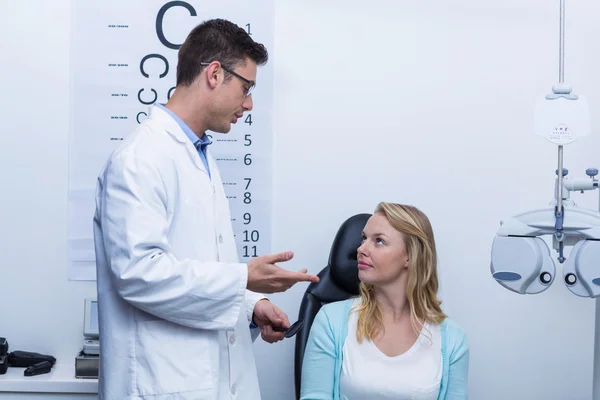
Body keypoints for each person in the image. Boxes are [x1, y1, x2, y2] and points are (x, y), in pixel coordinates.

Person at [93, 18, 319, 400]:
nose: (248, 103)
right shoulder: (140, 158)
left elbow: (197, 263)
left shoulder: (198, 155)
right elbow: (138, 274)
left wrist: (251, 305)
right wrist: (243, 279)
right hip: (159, 381)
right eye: (246, 87)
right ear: (215, 74)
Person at [300, 202, 469, 400]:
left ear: (410, 256)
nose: (361, 249)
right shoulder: (331, 321)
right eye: (364, 239)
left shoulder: (452, 339)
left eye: (379, 241)